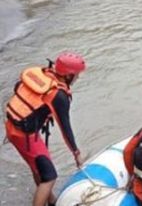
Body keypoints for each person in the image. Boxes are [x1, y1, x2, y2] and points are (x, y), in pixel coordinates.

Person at [4, 52, 86, 206]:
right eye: (76, 75)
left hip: (12, 126)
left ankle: (51, 200)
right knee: (50, 177)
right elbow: (65, 128)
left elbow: (18, 89)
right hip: (25, 136)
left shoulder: (44, 74)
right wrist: (76, 153)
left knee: (38, 168)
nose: (78, 78)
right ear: (68, 76)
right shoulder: (59, 96)